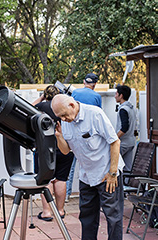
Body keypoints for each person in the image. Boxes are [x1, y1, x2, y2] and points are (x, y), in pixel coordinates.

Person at [51, 94, 124, 240]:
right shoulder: (65, 121)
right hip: (86, 176)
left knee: (113, 217)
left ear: (72, 105)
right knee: (87, 217)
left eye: (64, 115)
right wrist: (59, 136)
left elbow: (115, 142)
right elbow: (66, 151)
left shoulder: (95, 114)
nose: (63, 119)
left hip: (107, 173)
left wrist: (112, 173)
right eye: (60, 117)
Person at [32, 85, 74, 221]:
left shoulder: (40, 107)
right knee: (61, 179)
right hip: (65, 147)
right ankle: (60, 211)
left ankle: (47, 212)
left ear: (45, 95)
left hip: (44, 149)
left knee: (46, 180)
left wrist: (41, 98)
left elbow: (27, 108)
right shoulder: (64, 107)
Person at [66, 73, 102, 202]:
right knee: (91, 165)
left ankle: (66, 195)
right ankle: (93, 195)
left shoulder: (75, 93)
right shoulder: (97, 96)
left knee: (70, 168)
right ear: (95, 84)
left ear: (83, 81)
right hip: (90, 137)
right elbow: (99, 115)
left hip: (74, 134)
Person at [115, 85, 136, 174]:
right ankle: (126, 186)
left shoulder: (123, 109)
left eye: (116, 94)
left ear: (121, 95)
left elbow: (124, 128)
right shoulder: (131, 108)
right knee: (127, 168)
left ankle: (117, 187)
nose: (115, 96)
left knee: (114, 166)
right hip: (131, 142)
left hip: (123, 144)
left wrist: (115, 138)